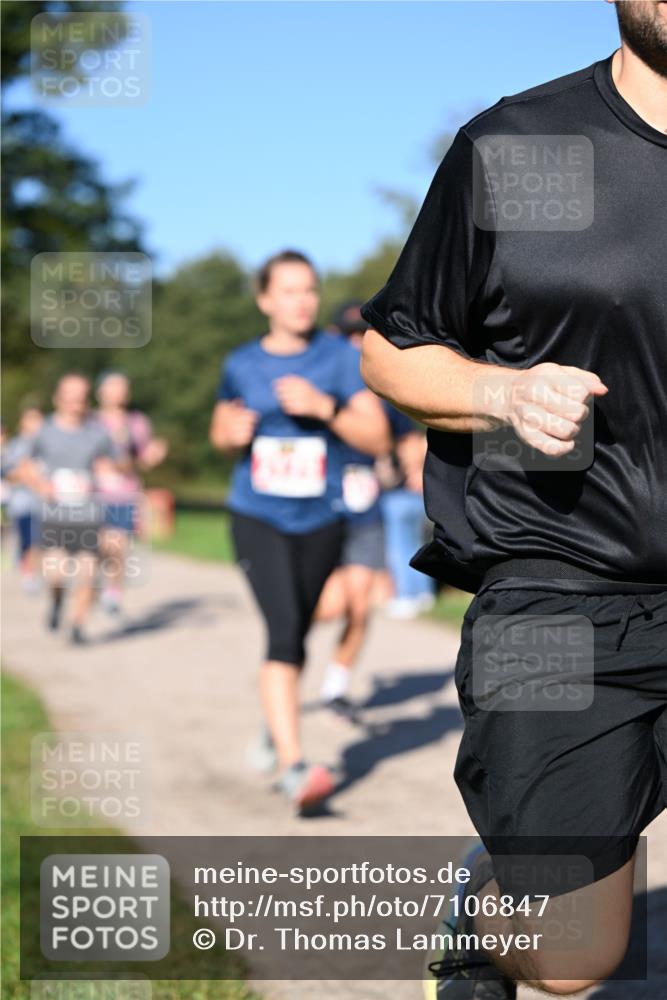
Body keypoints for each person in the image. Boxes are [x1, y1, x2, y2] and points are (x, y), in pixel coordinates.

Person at [360, 3, 667, 996]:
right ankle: (482, 905)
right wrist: (498, 390)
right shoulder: (519, 146)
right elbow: (393, 343)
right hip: (561, 582)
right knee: (573, 957)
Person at [209, 250, 390, 814]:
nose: (303, 300)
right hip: (256, 514)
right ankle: (294, 766)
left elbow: (377, 438)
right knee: (285, 628)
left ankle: (273, 721)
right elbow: (219, 427)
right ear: (265, 300)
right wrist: (229, 432)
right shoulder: (241, 362)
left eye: (309, 289)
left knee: (310, 620)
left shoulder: (339, 358)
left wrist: (325, 409)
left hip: (322, 517)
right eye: (289, 290)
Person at [313, 301, 392, 719]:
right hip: (320, 509)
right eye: (349, 334)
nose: (357, 343)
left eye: (366, 335)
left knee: (360, 604)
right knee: (328, 606)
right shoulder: (319, 383)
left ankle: (336, 687)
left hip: (365, 510)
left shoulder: (385, 388)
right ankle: (286, 658)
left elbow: (401, 440)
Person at [12, 374, 118, 645]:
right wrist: (40, 485)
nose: (75, 402)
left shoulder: (98, 432)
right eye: (69, 396)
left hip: (88, 515)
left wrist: (108, 471)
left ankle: (78, 626)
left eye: (80, 397)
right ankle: (57, 601)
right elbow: (22, 467)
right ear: (57, 398)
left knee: (88, 572)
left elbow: (116, 464)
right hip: (54, 516)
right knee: (56, 575)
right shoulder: (43, 431)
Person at [95, 371, 169, 615]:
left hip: (124, 493)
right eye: (114, 388)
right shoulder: (90, 422)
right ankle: (91, 587)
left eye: (124, 388)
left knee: (119, 545)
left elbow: (143, 459)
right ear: (101, 393)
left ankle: (113, 593)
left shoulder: (138, 422)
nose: (120, 393)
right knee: (98, 546)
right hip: (92, 493)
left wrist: (153, 456)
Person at [1, 406, 44, 592]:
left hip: (43, 501)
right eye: (31, 419)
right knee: (28, 538)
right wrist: (27, 476)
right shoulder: (16, 445)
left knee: (39, 540)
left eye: (38, 419)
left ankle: (30, 570)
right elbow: (8, 472)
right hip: (22, 501)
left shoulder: (47, 443)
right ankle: (27, 571)